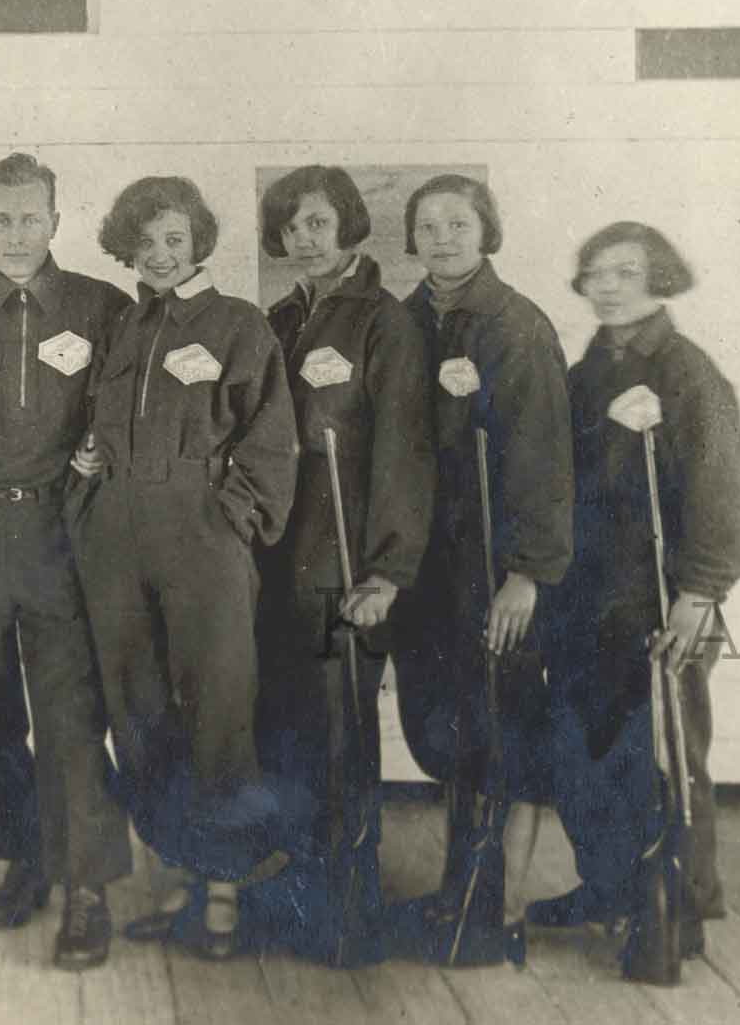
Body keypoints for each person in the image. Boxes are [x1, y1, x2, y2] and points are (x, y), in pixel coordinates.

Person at [70, 175, 299, 959]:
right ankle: (184, 868)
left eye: (175, 239)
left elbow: (271, 438)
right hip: (118, 538)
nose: (160, 254)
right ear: (126, 247)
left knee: (218, 705)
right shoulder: (124, 326)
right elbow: (100, 422)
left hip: (202, 535)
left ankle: (224, 889)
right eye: (145, 241)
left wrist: (229, 516)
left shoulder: (238, 325)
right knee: (137, 709)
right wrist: (91, 467)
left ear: (198, 241)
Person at [0, 152, 132, 970]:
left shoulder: (101, 308)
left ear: (55, 221)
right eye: (0, 219)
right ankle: (23, 858)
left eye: (29, 218)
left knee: (71, 713)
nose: (15, 234)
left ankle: (87, 886)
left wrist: (95, 459)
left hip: (59, 535)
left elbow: (124, 414)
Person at [532, 221, 740, 964]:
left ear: (660, 277)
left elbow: (723, 494)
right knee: (588, 753)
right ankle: (608, 885)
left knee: (665, 752)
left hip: (664, 600)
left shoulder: (690, 373)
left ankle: (681, 902)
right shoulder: (584, 373)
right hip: (587, 600)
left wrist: (700, 592)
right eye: (596, 273)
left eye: (626, 272)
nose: (609, 287)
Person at [241, 165, 436, 965]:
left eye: (318, 222)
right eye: (291, 226)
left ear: (348, 224)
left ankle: (350, 914)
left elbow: (405, 452)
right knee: (286, 729)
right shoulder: (280, 319)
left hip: (345, 567)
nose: (305, 238)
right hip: (278, 564)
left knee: (339, 735)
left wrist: (387, 571)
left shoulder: (383, 322)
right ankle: (297, 896)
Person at [386, 173, 573, 963]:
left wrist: (527, 574)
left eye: (458, 224)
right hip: (426, 570)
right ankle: (457, 892)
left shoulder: (515, 326)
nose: (443, 238)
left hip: (495, 570)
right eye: (428, 226)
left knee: (498, 732)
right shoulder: (402, 322)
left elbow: (544, 459)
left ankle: (493, 911)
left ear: (486, 230)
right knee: (443, 731)